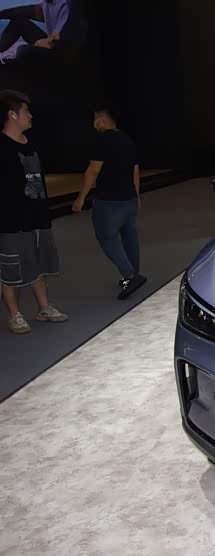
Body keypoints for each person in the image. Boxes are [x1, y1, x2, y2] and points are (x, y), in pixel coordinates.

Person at [0, 89, 68, 333]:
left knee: (38, 265)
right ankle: (15, 315)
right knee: (11, 269)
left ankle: (44, 308)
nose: (30, 115)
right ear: (12, 115)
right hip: (10, 223)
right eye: (26, 111)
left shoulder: (32, 144)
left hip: (37, 218)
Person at [72, 104, 146, 300]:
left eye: (95, 118)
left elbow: (93, 170)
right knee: (129, 236)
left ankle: (130, 275)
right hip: (128, 198)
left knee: (106, 236)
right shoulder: (127, 139)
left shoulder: (103, 140)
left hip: (109, 200)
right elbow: (135, 170)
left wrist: (81, 197)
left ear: (101, 119)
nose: (94, 122)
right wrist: (136, 196)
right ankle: (133, 273)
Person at [0, 0, 78, 59]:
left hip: (61, 50)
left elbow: (59, 37)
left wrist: (41, 43)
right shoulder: (49, 3)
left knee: (22, 51)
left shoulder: (66, 5)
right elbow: (24, 11)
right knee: (19, 21)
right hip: (50, 42)